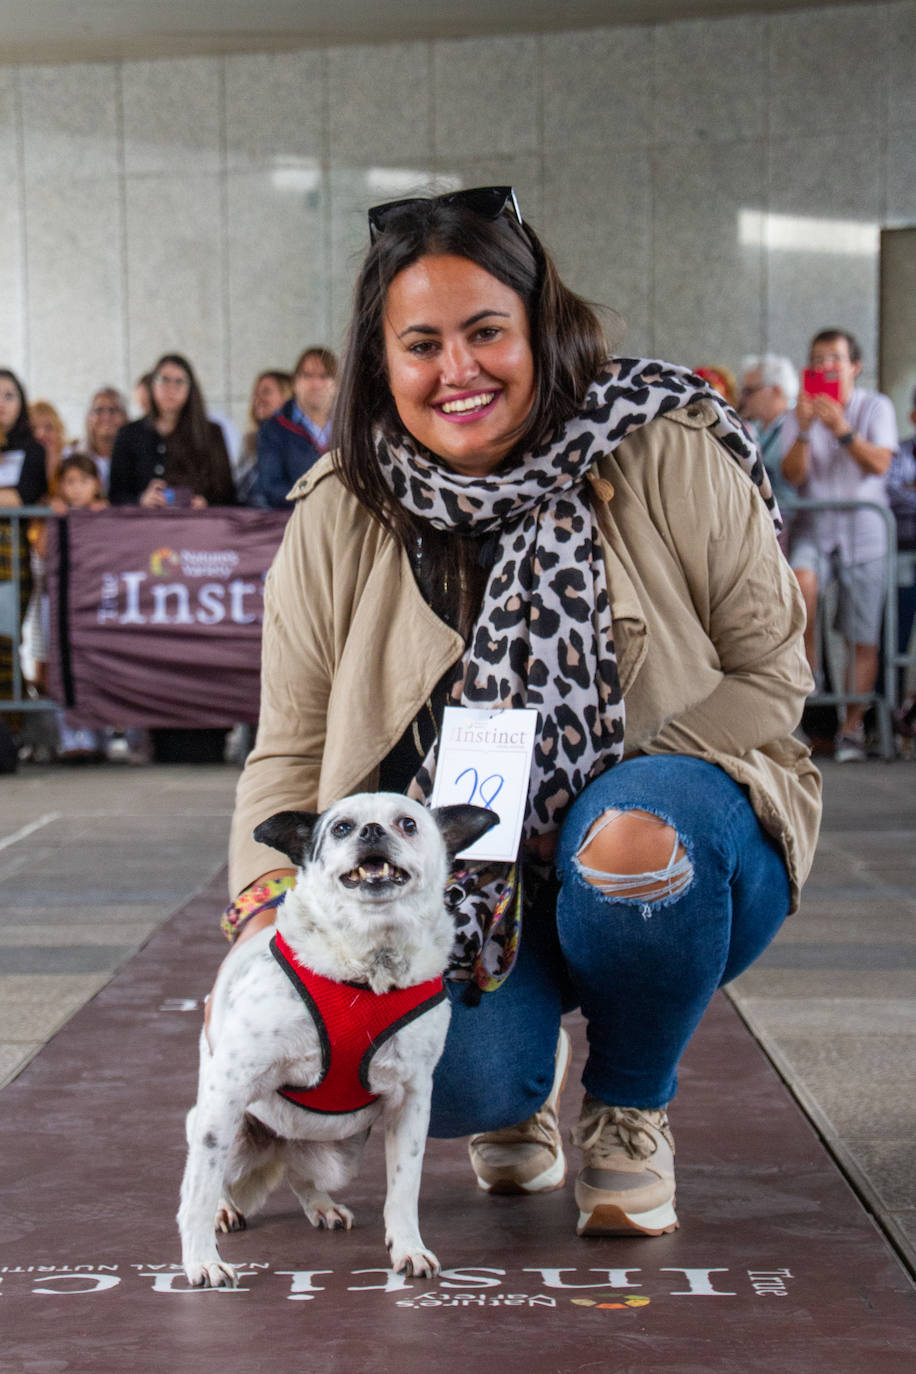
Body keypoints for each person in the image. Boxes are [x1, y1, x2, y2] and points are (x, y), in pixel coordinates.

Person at [224, 187, 821, 1241]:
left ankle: (631, 1103)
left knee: (631, 837)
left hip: (667, 816)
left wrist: (594, 789)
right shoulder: (336, 503)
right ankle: (520, 1071)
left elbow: (771, 674)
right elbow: (290, 750)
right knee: (433, 1078)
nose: (458, 370)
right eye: (422, 345)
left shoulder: (664, 440)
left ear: (540, 324)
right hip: (450, 872)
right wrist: (269, 911)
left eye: (486, 331)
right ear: (383, 362)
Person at [781, 329, 897, 762]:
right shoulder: (802, 411)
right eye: (817, 359)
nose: (825, 367)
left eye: (834, 358)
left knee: (861, 633)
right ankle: (813, 676)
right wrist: (807, 430)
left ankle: (852, 727)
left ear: (854, 366)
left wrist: (842, 430)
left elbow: (880, 463)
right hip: (816, 527)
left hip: (866, 533)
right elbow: (792, 475)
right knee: (801, 581)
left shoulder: (875, 406)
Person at [109, 353, 235, 508]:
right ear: (152, 385)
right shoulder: (128, 434)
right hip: (143, 526)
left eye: (179, 382)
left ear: (190, 389)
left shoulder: (211, 433)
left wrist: (206, 503)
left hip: (198, 525)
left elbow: (228, 494)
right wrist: (140, 500)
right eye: (164, 380)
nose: (171, 389)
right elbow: (115, 494)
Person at [0, 369, 47, 771]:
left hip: (10, 558)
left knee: (5, 636)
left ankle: (10, 730)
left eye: (9, 395)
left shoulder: (31, 449)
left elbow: (21, 496)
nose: (2, 403)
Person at [252, 348, 337, 508]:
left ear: (337, 384)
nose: (316, 384)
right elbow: (271, 487)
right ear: (295, 383)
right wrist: (317, 502)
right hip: (292, 522)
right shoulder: (273, 429)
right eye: (307, 375)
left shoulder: (350, 427)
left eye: (324, 376)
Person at [738, 354, 799, 542]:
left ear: (775, 390)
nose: (743, 399)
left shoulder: (797, 424)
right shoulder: (756, 427)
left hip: (790, 525)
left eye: (749, 391)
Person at [887, 389, 916, 740]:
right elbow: (893, 492)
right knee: (895, 636)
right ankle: (889, 718)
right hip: (903, 552)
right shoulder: (901, 452)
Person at [237, 369, 293, 504]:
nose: (257, 399)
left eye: (266, 392)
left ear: (288, 395)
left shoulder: (299, 441)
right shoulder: (249, 440)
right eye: (255, 394)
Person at [80, 387, 129, 494]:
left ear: (125, 417)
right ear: (89, 417)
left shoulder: (136, 458)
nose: (106, 417)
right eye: (99, 410)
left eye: (113, 410)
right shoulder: (73, 454)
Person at [28, 399, 69, 494]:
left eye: (48, 427)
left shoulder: (70, 458)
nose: (40, 434)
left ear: (59, 430)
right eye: (33, 428)